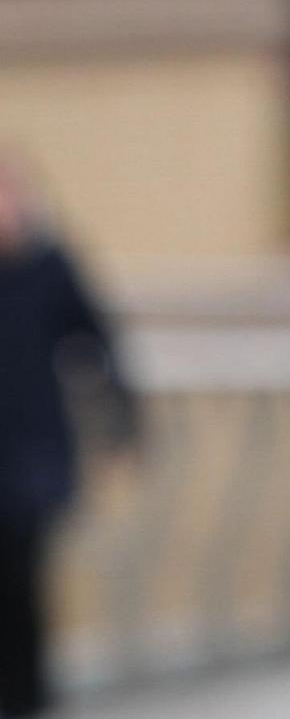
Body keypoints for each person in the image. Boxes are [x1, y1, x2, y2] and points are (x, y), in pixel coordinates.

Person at [0, 157, 131, 716]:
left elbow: (96, 337)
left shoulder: (49, 267)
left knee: (21, 582)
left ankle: (26, 699)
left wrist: (121, 410)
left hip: (32, 456)